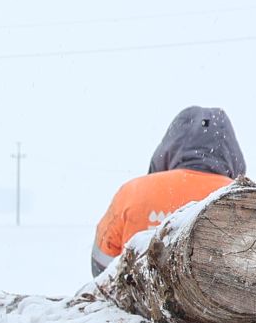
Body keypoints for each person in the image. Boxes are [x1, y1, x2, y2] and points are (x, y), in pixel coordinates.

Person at [92, 105, 247, 272]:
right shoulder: (243, 199)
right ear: (232, 151)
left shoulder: (133, 191)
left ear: (169, 146)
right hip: (220, 297)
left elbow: (101, 265)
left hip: (136, 296)